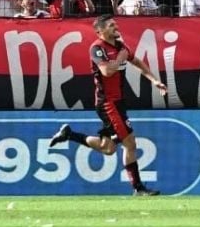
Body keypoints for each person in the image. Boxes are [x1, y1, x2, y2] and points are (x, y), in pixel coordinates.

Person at [48, 14, 167, 196]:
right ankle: (138, 188)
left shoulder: (120, 46)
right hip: (108, 103)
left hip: (118, 101)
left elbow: (137, 61)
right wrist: (121, 58)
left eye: (115, 24)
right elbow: (106, 71)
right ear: (100, 31)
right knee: (130, 143)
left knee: (109, 148)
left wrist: (154, 80)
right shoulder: (97, 48)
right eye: (111, 25)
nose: (115, 27)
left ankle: (69, 135)